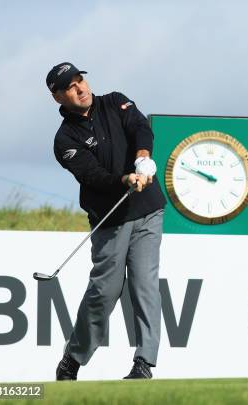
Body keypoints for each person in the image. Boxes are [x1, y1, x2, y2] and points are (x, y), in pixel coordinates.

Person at [46, 62, 166, 380]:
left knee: (145, 284)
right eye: (70, 87)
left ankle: (144, 362)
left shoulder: (115, 101)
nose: (80, 88)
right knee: (104, 291)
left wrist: (143, 157)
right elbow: (93, 176)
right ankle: (73, 359)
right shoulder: (65, 140)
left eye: (80, 80)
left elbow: (140, 127)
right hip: (109, 220)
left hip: (147, 211)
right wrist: (126, 179)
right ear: (58, 97)